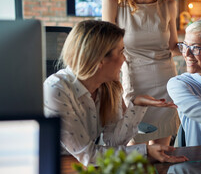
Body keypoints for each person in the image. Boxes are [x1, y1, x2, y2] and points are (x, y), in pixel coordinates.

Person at [43, 20, 188, 166]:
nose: (125, 59)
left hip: (88, 167)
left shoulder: (108, 87)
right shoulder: (56, 90)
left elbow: (114, 141)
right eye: (121, 52)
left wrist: (137, 105)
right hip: (56, 168)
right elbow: (88, 154)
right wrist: (145, 151)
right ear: (99, 60)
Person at [102, 0, 180, 146]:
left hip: (166, 84)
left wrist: (197, 46)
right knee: (136, 154)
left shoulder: (168, 4)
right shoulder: (113, 3)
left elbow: (173, 47)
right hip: (136, 85)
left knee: (162, 154)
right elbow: (106, 52)